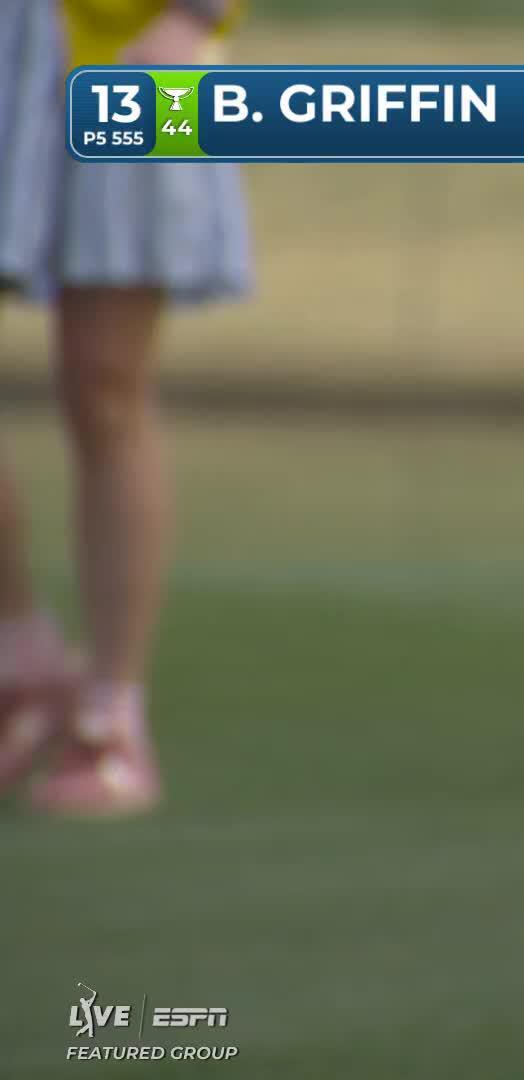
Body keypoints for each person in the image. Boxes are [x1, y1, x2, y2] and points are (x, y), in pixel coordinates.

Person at [0, 0, 252, 817]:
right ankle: (20, 653)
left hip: (129, 49)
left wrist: (196, 18)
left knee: (104, 384)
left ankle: (112, 712)